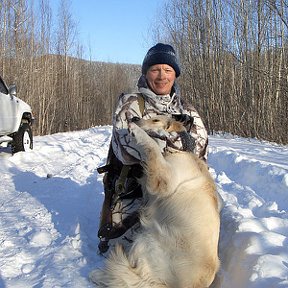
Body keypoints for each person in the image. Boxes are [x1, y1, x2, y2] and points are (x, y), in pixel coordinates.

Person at [97, 43, 208, 253]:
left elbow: (200, 152)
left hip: (178, 193)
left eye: (168, 70)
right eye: (155, 69)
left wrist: (151, 135)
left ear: (175, 74)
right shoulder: (130, 102)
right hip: (138, 191)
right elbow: (125, 150)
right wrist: (176, 137)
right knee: (129, 253)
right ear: (146, 72)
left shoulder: (188, 110)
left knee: (190, 249)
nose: (161, 76)